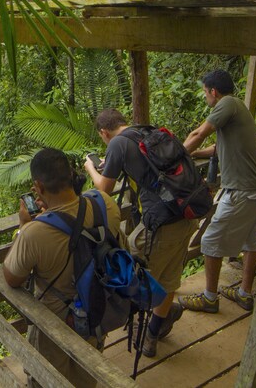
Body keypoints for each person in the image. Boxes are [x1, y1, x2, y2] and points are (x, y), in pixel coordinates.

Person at [3, 148, 121, 387]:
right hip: (96, 309)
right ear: (70, 174)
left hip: (54, 324)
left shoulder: (34, 233)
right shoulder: (104, 203)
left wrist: (23, 227)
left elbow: (11, 277)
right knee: (86, 376)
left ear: (38, 186)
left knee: (45, 378)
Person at [84, 109, 195, 358]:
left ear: (104, 132)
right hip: (186, 214)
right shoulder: (148, 131)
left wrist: (91, 168)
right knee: (168, 278)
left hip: (161, 224)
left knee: (129, 270)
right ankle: (154, 332)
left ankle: (134, 324)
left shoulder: (117, 144)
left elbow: (104, 188)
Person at [179, 69, 256, 313]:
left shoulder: (226, 104)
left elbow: (199, 133)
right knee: (251, 241)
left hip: (242, 190)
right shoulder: (237, 107)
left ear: (213, 91)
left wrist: (174, 156)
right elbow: (218, 147)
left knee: (209, 241)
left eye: (205, 93)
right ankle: (244, 294)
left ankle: (209, 298)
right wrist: (195, 153)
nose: (205, 97)